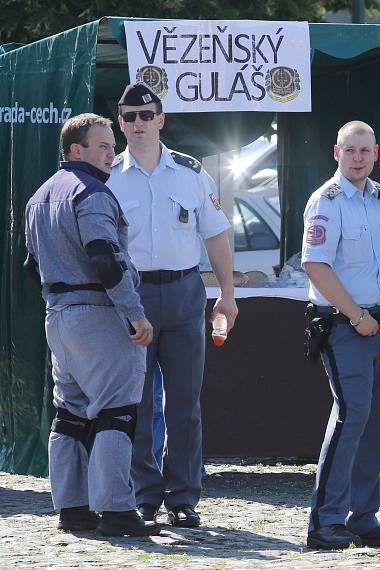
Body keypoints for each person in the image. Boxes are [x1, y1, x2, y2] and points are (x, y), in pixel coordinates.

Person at [107, 83, 238, 528]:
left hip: (184, 293)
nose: (138, 123)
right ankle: (145, 494)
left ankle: (183, 496)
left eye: (147, 115)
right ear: (120, 122)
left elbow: (216, 234)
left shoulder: (191, 172)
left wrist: (228, 293)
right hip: (132, 296)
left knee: (184, 403)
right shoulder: (108, 175)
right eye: (129, 117)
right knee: (136, 402)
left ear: (162, 119)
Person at [24, 113, 159, 536]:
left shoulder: (39, 196)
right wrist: (134, 313)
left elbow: (31, 265)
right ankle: (118, 510)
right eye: (103, 145)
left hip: (58, 315)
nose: (112, 151)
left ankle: (72, 508)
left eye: (111, 144)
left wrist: (60, 299)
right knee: (117, 411)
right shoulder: (92, 193)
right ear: (76, 150)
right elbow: (105, 257)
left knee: (70, 413)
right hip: (98, 313)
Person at [302, 121, 380, 550]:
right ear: (336, 153)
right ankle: (325, 521)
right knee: (352, 415)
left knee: (378, 422)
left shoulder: (379, 200)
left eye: (365, 151)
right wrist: (355, 316)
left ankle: (363, 517)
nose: (358, 158)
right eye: (351, 150)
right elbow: (316, 266)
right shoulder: (326, 201)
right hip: (344, 324)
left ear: (376, 153)